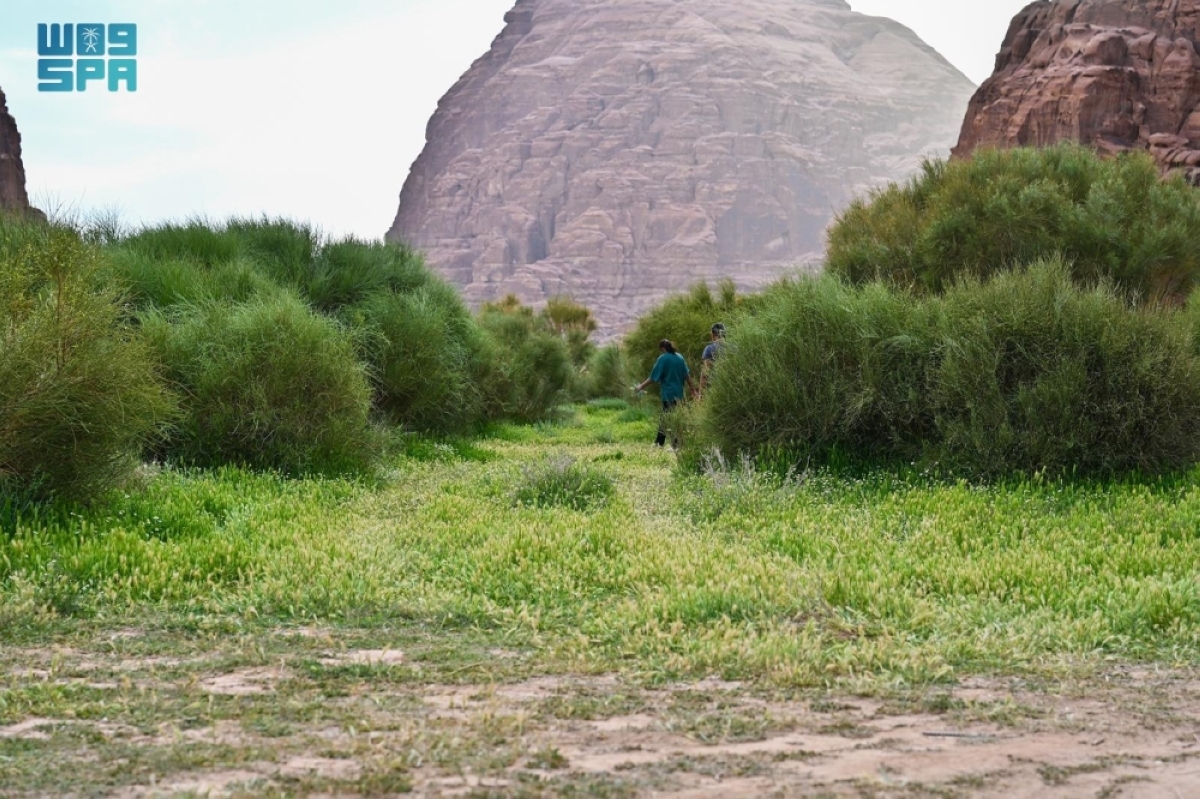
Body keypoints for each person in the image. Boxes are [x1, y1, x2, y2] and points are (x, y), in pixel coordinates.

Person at [635, 339, 696, 447]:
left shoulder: (663, 358)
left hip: (668, 393)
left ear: (662, 349)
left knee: (667, 417)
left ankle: (670, 444)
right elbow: (687, 376)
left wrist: (641, 386)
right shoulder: (680, 357)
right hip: (679, 394)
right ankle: (661, 442)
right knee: (670, 417)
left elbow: (653, 378)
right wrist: (693, 389)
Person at [699, 322, 726, 398]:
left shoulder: (709, 349)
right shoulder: (734, 348)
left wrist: (700, 395)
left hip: (715, 391)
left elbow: (705, 373)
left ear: (713, 334)